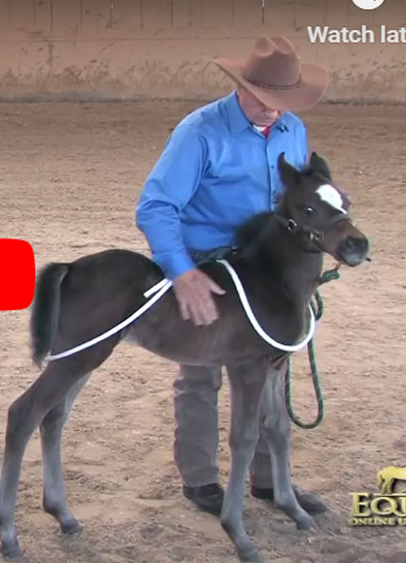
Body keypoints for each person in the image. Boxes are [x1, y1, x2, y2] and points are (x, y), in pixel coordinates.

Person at [135, 36, 331, 516]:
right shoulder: (199, 132)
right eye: (263, 100)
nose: (272, 111)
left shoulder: (292, 131)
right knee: (201, 374)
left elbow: (299, 199)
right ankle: (200, 480)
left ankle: (267, 481)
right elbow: (156, 207)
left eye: (282, 103)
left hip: (268, 268)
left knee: (271, 370)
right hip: (210, 261)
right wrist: (183, 273)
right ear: (241, 86)